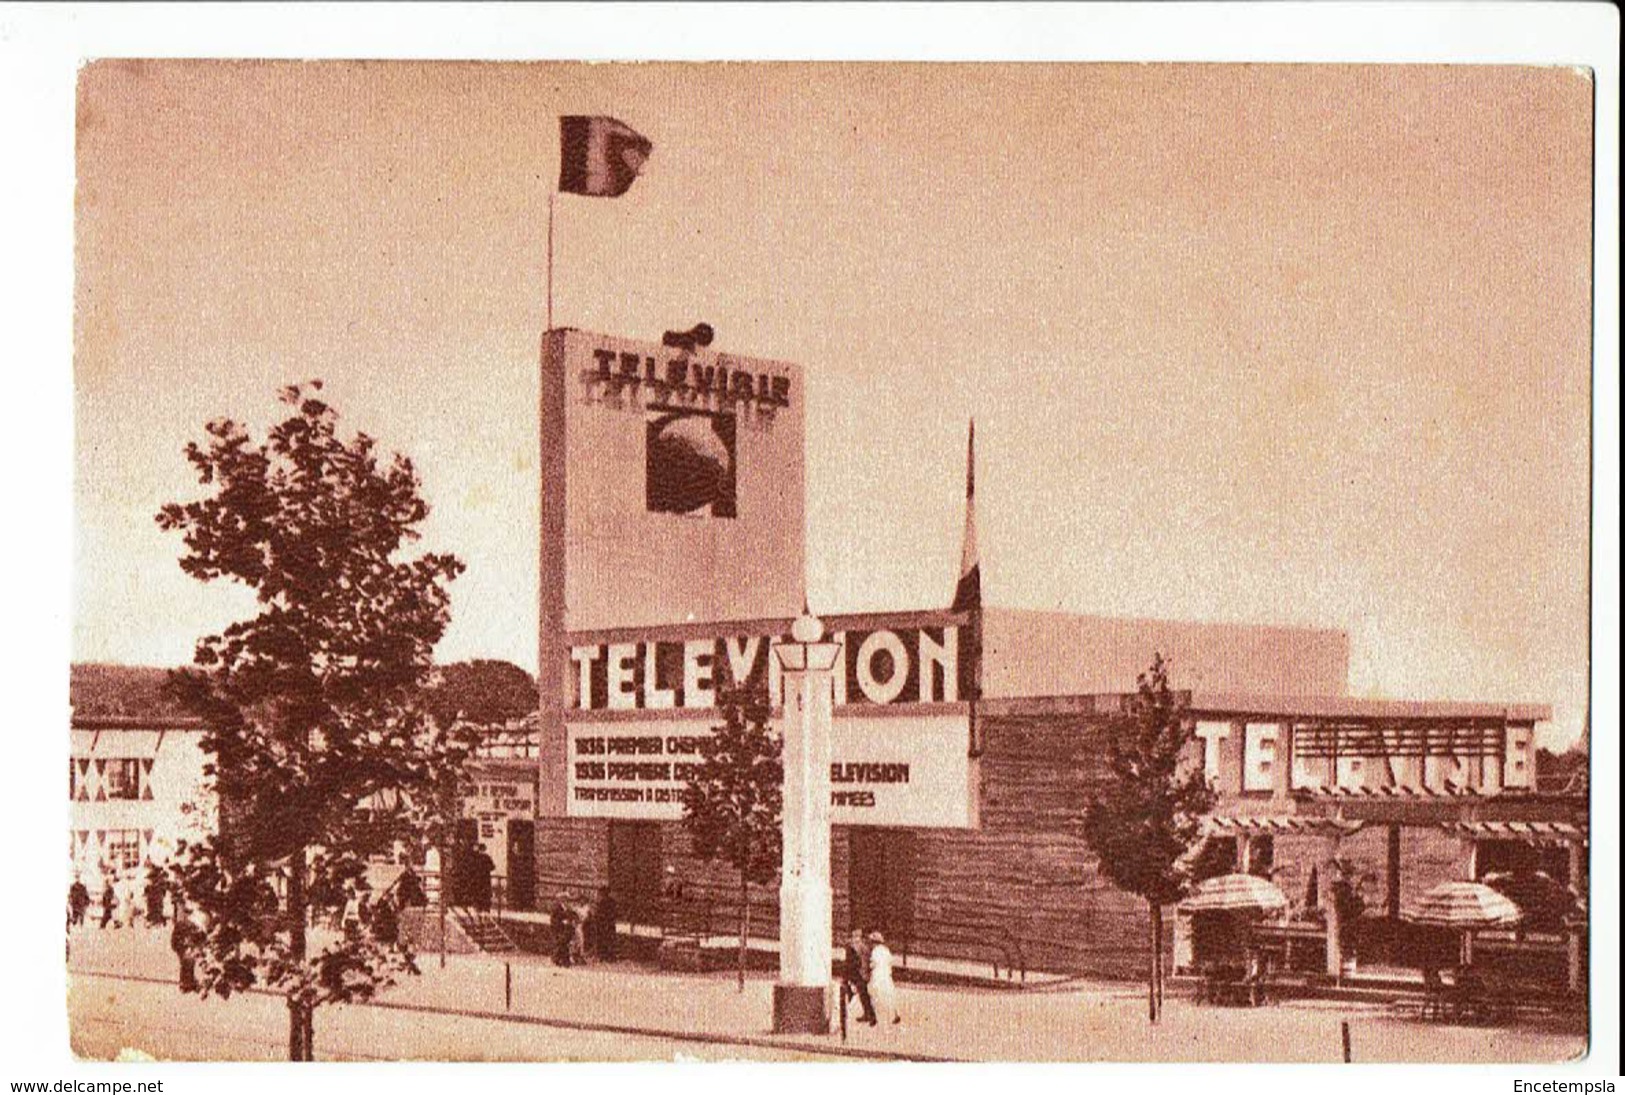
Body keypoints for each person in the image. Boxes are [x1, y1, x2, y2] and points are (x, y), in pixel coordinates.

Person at [843, 929, 878, 1026]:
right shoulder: (863, 946)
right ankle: (869, 1015)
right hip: (862, 973)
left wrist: (848, 976)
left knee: (861, 994)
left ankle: (870, 1015)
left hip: (859, 973)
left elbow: (853, 962)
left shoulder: (855, 946)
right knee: (863, 994)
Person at [867, 930, 900, 1025]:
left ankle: (874, 1017)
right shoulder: (886, 950)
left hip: (877, 975)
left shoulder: (875, 951)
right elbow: (890, 962)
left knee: (873, 994)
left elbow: (873, 964)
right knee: (889, 994)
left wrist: (870, 967)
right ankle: (895, 1014)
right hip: (886, 975)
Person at [590, 886, 618, 962]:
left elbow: (598, 913)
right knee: (609, 939)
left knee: (602, 939)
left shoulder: (602, 902)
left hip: (603, 923)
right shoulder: (612, 901)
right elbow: (615, 912)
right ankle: (610, 956)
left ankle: (603, 955)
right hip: (610, 923)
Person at [551, 895, 576, 967]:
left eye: (567, 900)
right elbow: (553, 920)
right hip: (559, 929)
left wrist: (571, 921)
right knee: (563, 941)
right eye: (565, 900)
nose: (566, 902)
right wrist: (562, 922)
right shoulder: (556, 909)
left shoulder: (569, 909)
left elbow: (574, 916)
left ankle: (558, 958)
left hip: (567, 929)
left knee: (564, 941)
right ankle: (563, 959)